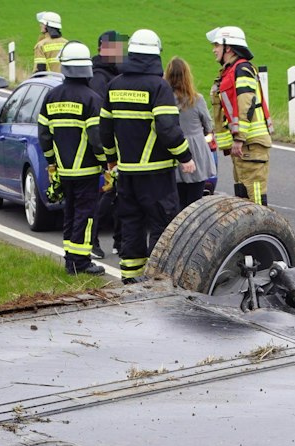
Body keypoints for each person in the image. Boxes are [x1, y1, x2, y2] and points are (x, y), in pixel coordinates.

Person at [106, 29, 196, 282]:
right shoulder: (159, 87)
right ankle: (155, 282)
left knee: (131, 225)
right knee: (162, 225)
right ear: (155, 54)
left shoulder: (114, 85)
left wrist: (111, 159)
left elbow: (105, 128)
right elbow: (168, 128)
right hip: (156, 174)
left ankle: (130, 280)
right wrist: (185, 157)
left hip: (126, 173)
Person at [39, 41, 111, 275]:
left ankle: (70, 259)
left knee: (69, 213)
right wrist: (105, 163)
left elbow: (44, 135)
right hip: (87, 170)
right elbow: (96, 139)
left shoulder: (51, 97)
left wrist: (52, 162)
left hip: (63, 170)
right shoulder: (92, 99)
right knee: (85, 215)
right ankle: (80, 262)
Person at [210, 25, 275, 205]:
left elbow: (246, 103)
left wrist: (239, 137)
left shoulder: (242, 69)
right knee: (243, 194)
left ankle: (259, 230)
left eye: (216, 45)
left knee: (254, 196)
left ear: (228, 47)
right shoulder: (230, 72)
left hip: (250, 144)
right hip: (244, 145)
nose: (214, 50)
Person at [88, 30, 126, 261]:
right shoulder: (98, 78)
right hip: (106, 148)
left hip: (121, 145)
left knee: (122, 193)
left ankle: (119, 242)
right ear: (104, 47)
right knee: (108, 193)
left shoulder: (116, 73)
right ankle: (91, 241)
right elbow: (101, 119)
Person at [168, 56, 219, 208]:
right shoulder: (197, 100)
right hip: (196, 153)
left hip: (174, 151)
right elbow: (208, 126)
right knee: (195, 205)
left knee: (177, 203)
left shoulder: (164, 99)